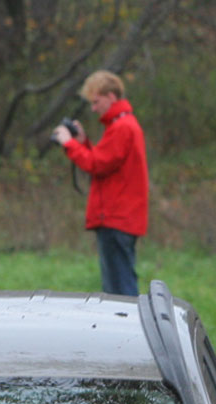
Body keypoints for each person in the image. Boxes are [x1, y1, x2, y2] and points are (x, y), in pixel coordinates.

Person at [51, 70, 148, 297]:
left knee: (119, 292)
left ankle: (127, 331)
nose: (93, 109)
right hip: (120, 218)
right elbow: (105, 162)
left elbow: (97, 164)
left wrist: (69, 144)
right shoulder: (121, 126)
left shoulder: (122, 128)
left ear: (111, 97)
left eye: (96, 102)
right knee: (119, 286)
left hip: (116, 219)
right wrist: (83, 143)